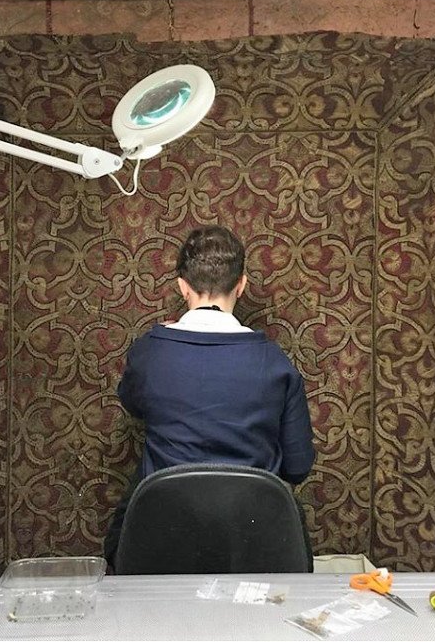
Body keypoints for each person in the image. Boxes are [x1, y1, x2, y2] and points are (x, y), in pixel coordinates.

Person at [104, 225, 316, 567]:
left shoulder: (149, 352)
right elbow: (298, 466)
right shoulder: (275, 362)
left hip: (161, 536)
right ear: (241, 285)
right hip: (255, 543)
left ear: (182, 286)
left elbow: (133, 404)